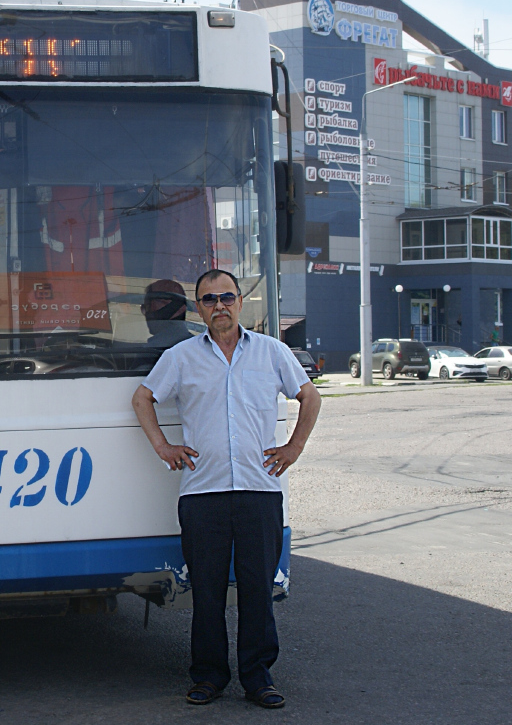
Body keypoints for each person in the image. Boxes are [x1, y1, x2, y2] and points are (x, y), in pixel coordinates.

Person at [130, 268, 322, 709]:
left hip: (259, 491)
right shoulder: (181, 357)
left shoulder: (272, 352)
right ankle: (208, 677)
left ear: (240, 303)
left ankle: (258, 679)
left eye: (227, 297)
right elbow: (143, 399)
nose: (219, 305)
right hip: (203, 493)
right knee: (208, 593)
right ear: (198, 308)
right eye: (209, 299)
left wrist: (293, 447)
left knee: (258, 591)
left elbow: (310, 397)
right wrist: (162, 445)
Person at [140, 279, 193, 351]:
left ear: (180, 308)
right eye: (146, 307)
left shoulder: (151, 352)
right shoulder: (198, 347)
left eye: (149, 306)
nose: (148, 313)